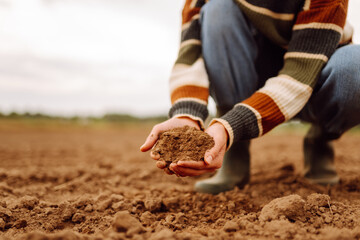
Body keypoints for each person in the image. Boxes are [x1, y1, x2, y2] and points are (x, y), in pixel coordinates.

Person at [140, 0, 360, 194]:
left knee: (355, 67)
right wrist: (187, 114)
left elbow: (299, 74)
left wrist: (232, 125)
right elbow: (191, 54)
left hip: (313, 75)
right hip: (251, 73)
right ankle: (234, 152)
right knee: (218, 9)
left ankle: (321, 139)